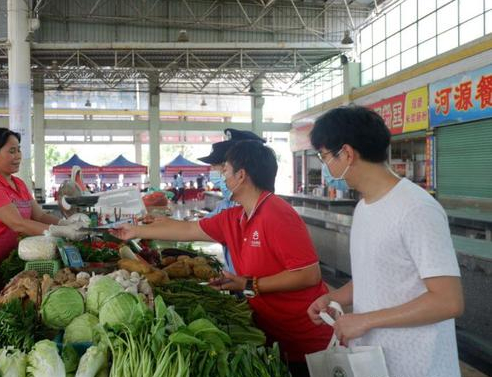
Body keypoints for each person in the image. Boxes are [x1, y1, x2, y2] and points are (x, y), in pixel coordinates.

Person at [112, 140, 332, 376]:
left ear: (241, 175)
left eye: (225, 170)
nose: (221, 177)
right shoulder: (235, 217)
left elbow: (309, 275)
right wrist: (134, 231)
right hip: (273, 335)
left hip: (307, 342)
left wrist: (249, 284)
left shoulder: (277, 214)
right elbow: (188, 230)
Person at [306, 106, 463, 377]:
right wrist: (334, 298)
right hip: (375, 363)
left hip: (420, 366)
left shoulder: (416, 208)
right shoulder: (365, 207)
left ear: (347, 153)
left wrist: (365, 320)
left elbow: (448, 301)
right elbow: (376, 277)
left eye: (325, 156)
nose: (326, 166)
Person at [0, 128, 65, 310]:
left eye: (19, 150)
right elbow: (18, 224)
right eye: (11, 151)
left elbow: (40, 215)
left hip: (14, 260)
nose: (18, 156)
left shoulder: (18, 183)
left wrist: (65, 223)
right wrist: (59, 232)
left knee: (15, 314)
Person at [198, 128, 266, 274]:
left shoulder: (265, 211)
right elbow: (196, 228)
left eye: (223, 167)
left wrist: (247, 286)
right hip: (239, 282)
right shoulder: (228, 204)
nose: (216, 172)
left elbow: (305, 274)